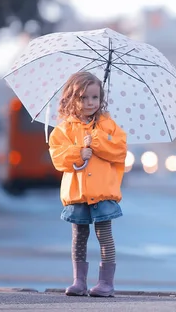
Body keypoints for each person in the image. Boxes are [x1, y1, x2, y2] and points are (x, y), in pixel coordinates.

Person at [48, 71, 127, 297]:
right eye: (83, 98)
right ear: (71, 99)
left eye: (95, 97)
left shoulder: (107, 126)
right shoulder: (64, 129)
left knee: (104, 234)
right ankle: (79, 281)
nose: (90, 103)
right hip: (77, 193)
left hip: (103, 192)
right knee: (79, 236)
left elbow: (119, 151)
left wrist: (98, 140)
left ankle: (106, 283)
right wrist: (78, 152)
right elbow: (58, 158)